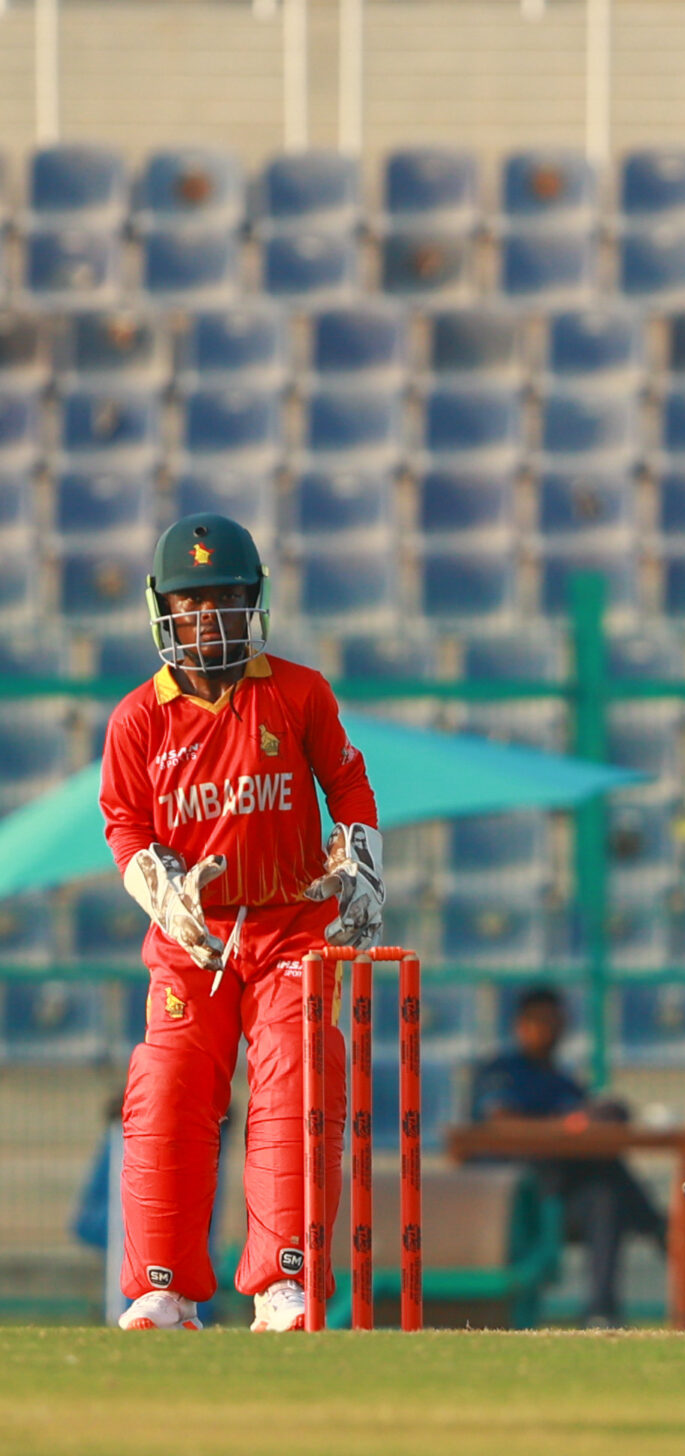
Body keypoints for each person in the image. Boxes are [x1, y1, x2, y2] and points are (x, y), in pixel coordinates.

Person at [99, 513, 384, 1333]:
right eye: (191, 603)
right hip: (193, 940)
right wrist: (157, 887)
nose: (209, 618)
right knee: (167, 1090)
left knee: (298, 1074)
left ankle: (282, 1282)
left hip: (292, 926)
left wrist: (361, 859)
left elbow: (347, 781)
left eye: (225, 599)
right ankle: (162, 1285)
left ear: (252, 602)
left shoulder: (297, 691)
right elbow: (123, 821)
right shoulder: (137, 720)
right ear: (164, 612)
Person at [468, 987, 666, 1327]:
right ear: (520, 1024)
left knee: (607, 1192)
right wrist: (567, 1125)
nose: (551, 1029)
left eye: (557, 1021)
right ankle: (663, 1231)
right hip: (510, 1194)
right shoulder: (501, 1069)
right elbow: (499, 1123)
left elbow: (588, 1125)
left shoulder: (563, 1080)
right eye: (542, 1020)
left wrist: (603, 1115)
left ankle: (600, 1312)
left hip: (561, 1192)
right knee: (609, 1177)